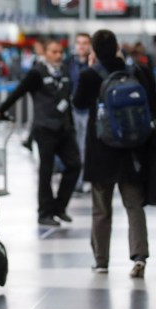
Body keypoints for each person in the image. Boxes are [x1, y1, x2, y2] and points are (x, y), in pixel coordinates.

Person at [72, 29, 156, 278]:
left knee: (101, 208)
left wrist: (89, 70)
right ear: (117, 48)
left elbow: (78, 103)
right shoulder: (136, 72)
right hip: (132, 150)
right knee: (134, 204)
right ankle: (140, 256)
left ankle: (101, 261)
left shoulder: (90, 74)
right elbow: (155, 106)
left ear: (94, 51)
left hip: (101, 149)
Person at [0, 39, 81, 227]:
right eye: (53, 51)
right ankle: (45, 212)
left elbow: (68, 99)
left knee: (74, 165)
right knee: (46, 171)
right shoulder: (37, 73)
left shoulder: (65, 71)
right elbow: (19, 91)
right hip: (45, 129)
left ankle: (60, 207)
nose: (58, 55)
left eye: (60, 52)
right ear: (45, 53)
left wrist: (71, 125)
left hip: (65, 128)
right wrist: (2, 109)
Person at [65, 33, 92, 192]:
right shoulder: (69, 63)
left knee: (86, 146)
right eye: (79, 43)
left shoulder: (93, 63)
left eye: (85, 43)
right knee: (75, 146)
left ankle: (84, 179)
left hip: (89, 110)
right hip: (73, 109)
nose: (81, 46)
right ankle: (76, 180)